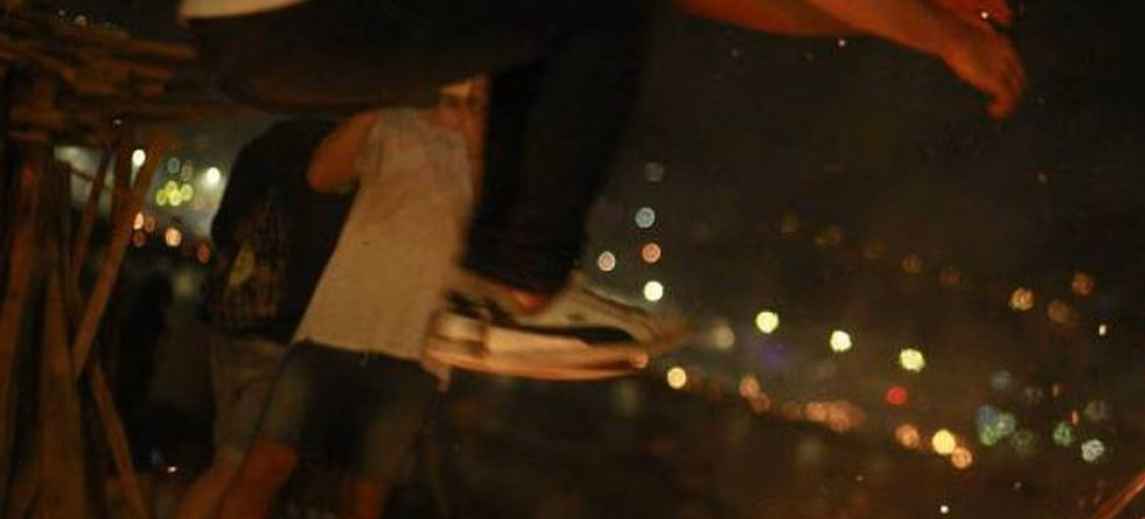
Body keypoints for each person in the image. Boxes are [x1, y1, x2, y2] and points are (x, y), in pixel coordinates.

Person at [174, 0, 1025, 379]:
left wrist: (905, 25)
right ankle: (510, 283)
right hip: (299, 18)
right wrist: (936, 33)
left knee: (588, 12)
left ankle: (497, 280)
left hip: (261, 30)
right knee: (593, 11)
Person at [182, 82, 484, 519]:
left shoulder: (490, 157)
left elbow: (489, 232)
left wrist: (475, 140)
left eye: (473, 95)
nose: (459, 101)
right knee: (261, 470)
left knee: (364, 504)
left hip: (414, 353)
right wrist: (374, 100)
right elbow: (321, 175)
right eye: (451, 89)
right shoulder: (394, 122)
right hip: (332, 328)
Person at [118, 118, 352, 519]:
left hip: (232, 318)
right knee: (238, 463)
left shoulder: (262, 145)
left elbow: (225, 230)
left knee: (232, 458)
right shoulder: (337, 159)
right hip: (280, 330)